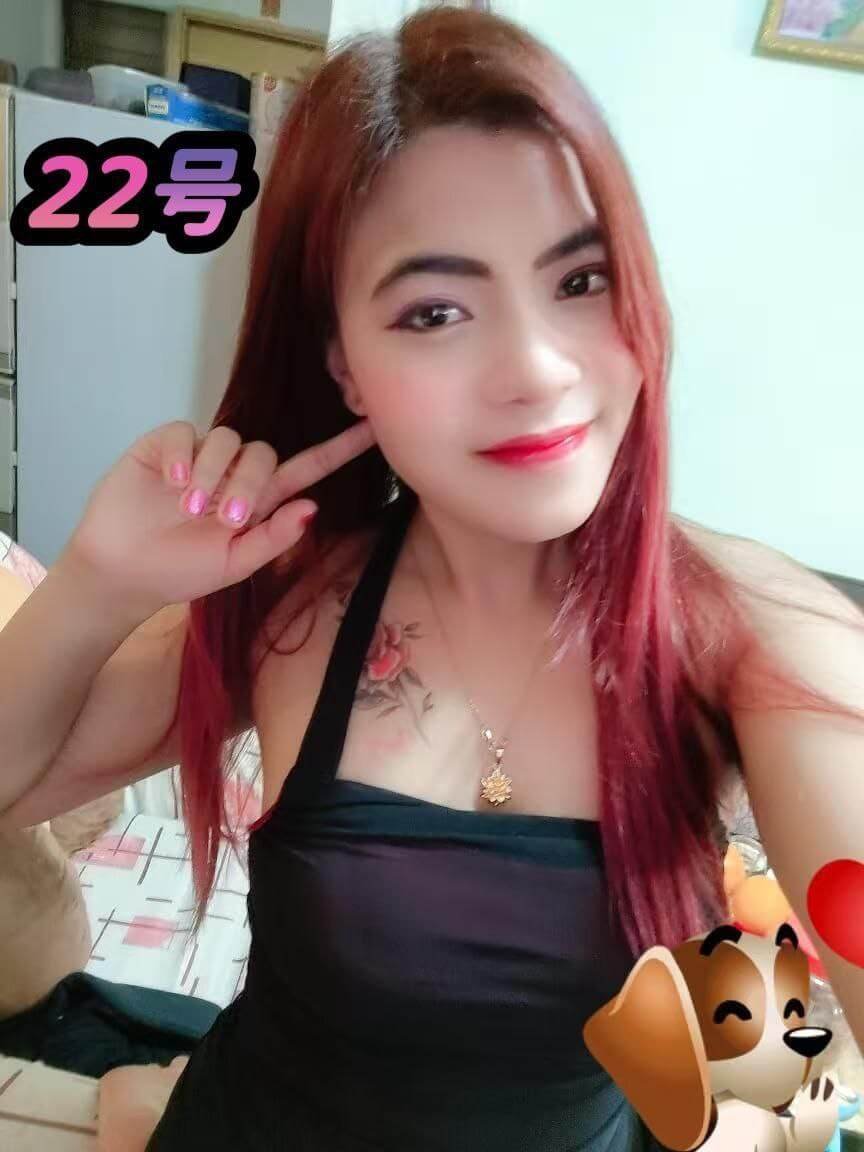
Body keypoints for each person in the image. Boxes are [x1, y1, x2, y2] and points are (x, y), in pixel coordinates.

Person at [0, 5, 862, 1150]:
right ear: (344, 367)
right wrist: (96, 579)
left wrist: (768, 1111)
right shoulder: (300, 605)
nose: (536, 369)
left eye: (581, 279)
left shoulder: (757, 633)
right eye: (436, 311)